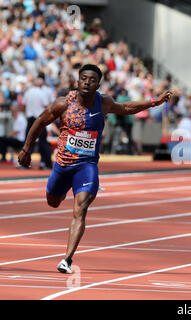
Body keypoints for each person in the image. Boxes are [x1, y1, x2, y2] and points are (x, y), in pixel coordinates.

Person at [18, 64, 172, 274]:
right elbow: (40, 122)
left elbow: (127, 108)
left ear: (98, 84)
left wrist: (155, 102)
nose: (87, 83)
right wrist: (26, 149)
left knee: (80, 210)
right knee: (52, 202)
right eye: (83, 78)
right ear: (78, 81)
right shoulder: (63, 104)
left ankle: (67, 259)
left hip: (87, 166)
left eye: (91, 80)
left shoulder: (103, 102)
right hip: (63, 165)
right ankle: (63, 190)